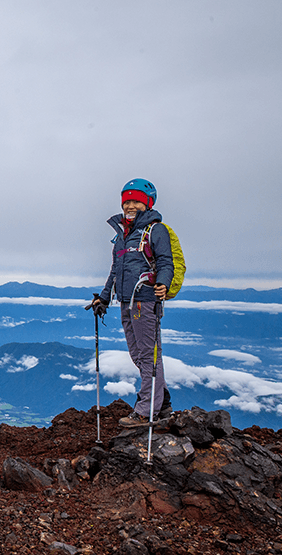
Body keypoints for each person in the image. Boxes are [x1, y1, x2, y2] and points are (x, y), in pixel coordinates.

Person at [89, 178, 175, 428]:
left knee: (148, 356)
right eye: (127, 201)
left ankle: (146, 410)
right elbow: (115, 270)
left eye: (136, 201)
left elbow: (166, 262)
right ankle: (163, 402)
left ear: (148, 203)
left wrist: (164, 284)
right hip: (125, 302)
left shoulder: (155, 230)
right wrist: (104, 297)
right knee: (139, 355)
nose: (130, 205)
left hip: (145, 302)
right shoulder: (122, 236)